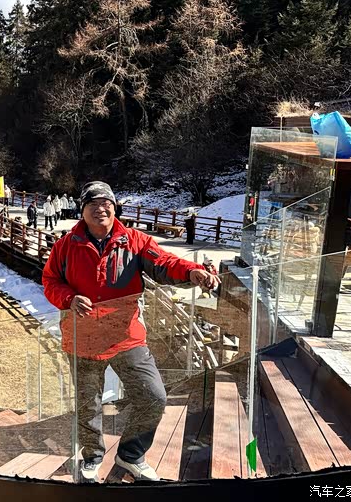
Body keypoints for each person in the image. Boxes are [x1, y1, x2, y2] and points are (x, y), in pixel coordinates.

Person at [42, 181, 218, 483]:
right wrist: (69, 298)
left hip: (125, 336)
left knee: (153, 396)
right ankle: (92, 456)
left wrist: (191, 272)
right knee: (88, 405)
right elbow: (50, 281)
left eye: (106, 203)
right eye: (93, 204)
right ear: (82, 210)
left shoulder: (134, 241)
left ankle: (131, 453)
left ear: (114, 208)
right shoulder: (66, 245)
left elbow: (164, 263)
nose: (100, 209)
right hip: (82, 338)